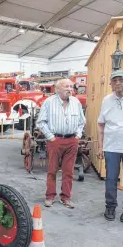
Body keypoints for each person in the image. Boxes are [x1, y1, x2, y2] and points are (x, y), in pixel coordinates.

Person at [36, 78, 86, 208]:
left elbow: (82, 121)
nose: (70, 89)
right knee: (52, 170)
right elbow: (40, 122)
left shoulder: (76, 102)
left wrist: (78, 135)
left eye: (71, 86)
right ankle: (50, 196)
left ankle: (66, 197)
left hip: (72, 141)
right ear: (58, 89)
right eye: (66, 87)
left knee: (68, 171)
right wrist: (51, 137)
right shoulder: (49, 102)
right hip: (55, 141)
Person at [97, 70, 123, 223]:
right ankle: (110, 206)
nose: (118, 83)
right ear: (111, 84)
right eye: (114, 80)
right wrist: (100, 146)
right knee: (111, 179)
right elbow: (101, 124)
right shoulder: (107, 100)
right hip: (111, 146)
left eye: (120, 79)